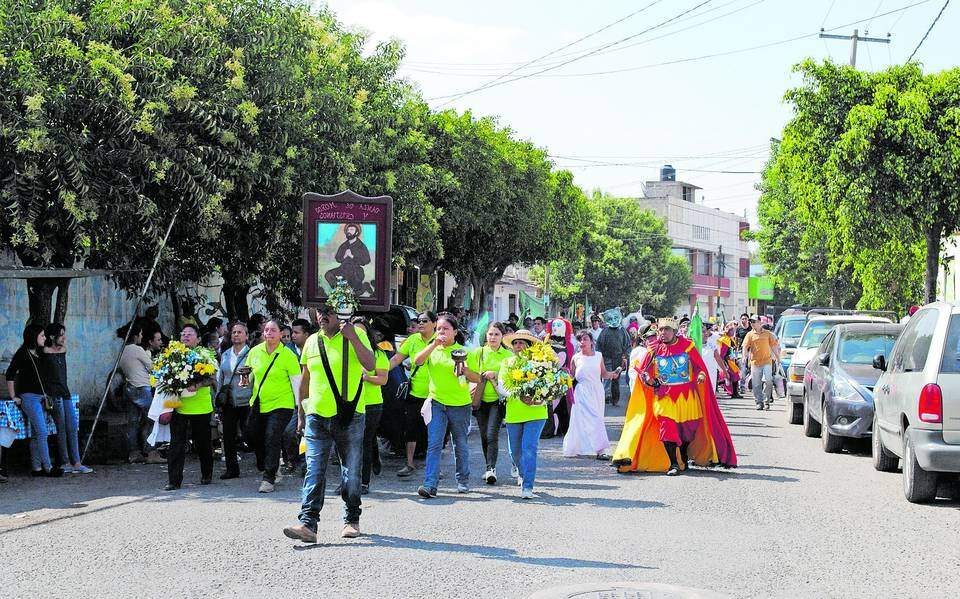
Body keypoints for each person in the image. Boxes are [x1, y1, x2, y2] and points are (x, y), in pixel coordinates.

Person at [283, 305, 375, 542]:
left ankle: (352, 518)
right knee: (314, 469)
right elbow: (305, 378)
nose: (323, 316)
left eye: (329, 311)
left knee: (351, 472)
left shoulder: (356, 334)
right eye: (319, 312)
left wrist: (353, 337)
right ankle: (308, 524)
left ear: (341, 313)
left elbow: (371, 364)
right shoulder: (312, 341)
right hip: (316, 415)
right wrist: (301, 412)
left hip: (350, 415)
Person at [612, 318, 738, 476]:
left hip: (687, 397)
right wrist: (648, 379)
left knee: (688, 430)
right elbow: (645, 372)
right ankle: (673, 464)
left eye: (666, 330)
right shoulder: (654, 349)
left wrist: (700, 375)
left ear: (674, 331)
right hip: (663, 397)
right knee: (667, 427)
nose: (663, 333)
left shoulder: (687, 346)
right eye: (660, 330)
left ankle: (683, 457)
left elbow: (700, 367)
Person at [415, 314, 480, 499]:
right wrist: (433, 345)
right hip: (437, 402)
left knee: (460, 444)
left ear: (455, 332)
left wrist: (466, 371)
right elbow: (417, 361)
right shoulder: (432, 349)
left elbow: (477, 378)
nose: (441, 332)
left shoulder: (465, 351)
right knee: (434, 444)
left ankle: (463, 479)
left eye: (446, 329)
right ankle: (430, 484)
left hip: (460, 404)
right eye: (439, 329)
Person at [244, 320, 301, 493]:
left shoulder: (287, 355)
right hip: (259, 402)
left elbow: (296, 383)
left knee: (272, 436)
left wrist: (300, 409)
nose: (269, 332)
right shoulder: (254, 352)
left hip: (281, 404)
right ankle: (272, 465)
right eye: (266, 330)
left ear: (280, 334)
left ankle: (268, 478)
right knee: (253, 437)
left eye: (273, 330)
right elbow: (249, 376)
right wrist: (245, 381)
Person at [165, 324, 217, 491]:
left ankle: (207, 473)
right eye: (183, 334)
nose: (185, 336)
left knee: (203, 443)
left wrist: (199, 384)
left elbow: (212, 378)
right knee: (176, 444)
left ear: (198, 338)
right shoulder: (173, 355)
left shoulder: (205, 355)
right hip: (178, 405)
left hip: (200, 407)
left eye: (190, 334)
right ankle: (174, 480)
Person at [498, 329, 549, 499]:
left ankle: (528, 486)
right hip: (514, 413)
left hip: (536, 412)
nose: (518, 345)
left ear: (529, 345)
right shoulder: (507, 362)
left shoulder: (540, 361)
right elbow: (502, 387)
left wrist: (538, 397)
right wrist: (519, 393)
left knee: (529, 448)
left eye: (522, 342)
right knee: (515, 452)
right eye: (516, 343)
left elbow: (548, 386)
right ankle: (522, 473)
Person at [5, 324, 61, 477]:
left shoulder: (40, 353)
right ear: (33, 336)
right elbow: (10, 374)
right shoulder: (23, 353)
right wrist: (13, 396)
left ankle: (37, 468)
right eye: (41, 335)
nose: (44, 338)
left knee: (37, 433)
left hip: (41, 397)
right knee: (42, 432)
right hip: (29, 397)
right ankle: (48, 467)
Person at [42, 323, 93, 474]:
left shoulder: (62, 350)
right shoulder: (46, 352)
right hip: (54, 393)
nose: (64, 338)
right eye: (61, 334)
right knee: (62, 428)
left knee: (72, 426)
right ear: (52, 337)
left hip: (65, 393)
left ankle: (76, 462)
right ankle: (65, 461)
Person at [389, 311, 436, 477]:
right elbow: (397, 359)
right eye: (419, 321)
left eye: (425, 321)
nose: (421, 324)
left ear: (434, 323)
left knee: (433, 431)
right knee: (411, 428)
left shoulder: (440, 340)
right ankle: (409, 464)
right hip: (415, 392)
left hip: (436, 395)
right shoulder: (413, 340)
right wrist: (380, 370)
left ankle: (433, 467)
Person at [467, 321, 513, 485]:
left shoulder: (508, 356)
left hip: (498, 399)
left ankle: (490, 468)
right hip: (479, 399)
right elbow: (468, 374)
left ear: (502, 337)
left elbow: (513, 377)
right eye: (490, 334)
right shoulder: (477, 353)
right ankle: (488, 466)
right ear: (486, 335)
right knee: (484, 434)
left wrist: (497, 373)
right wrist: (479, 375)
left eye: (496, 334)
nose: (493, 337)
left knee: (492, 433)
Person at [563, 330, 621, 459]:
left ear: (591, 342)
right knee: (579, 419)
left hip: (596, 391)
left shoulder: (598, 356)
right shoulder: (576, 357)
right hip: (581, 392)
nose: (582, 342)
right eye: (580, 340)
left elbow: (604, 374)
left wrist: (613, 374)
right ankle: (579, 447)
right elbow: (571, 376)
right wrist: (562, 375)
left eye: (585, 339)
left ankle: (600, 450)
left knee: (596, 418)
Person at [352, 317, 389, 495]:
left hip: (372, 404)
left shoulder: (378, 354)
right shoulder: (346, 352)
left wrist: (366, 377)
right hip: (350, 403)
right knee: (349, 443)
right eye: (354, 331)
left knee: (364, 441)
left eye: (361, 332)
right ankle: (349, 479)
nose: (358, 335)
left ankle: (363, 482)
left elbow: (382, 379)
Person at [120, 324, 163, 464]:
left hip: (130, 387)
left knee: (133, 422)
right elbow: (152, 367)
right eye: (140, 334)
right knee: (151, 419)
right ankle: (151, 452)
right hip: (142, 388)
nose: (142, 337)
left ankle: (134, 453)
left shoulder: (122, 350)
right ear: (135, 336)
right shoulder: (137, 349)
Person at [217, 322, 252, 480]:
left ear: (246, 335)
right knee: (228, 435)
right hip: (229, 400)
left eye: (239, 332)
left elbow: (254, 376)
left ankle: (261, 461)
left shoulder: (251, 354)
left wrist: (244, 373)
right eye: (233, 333)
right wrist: (218, 396)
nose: (236, 335)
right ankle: (232, 469)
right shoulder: (225, 354)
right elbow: (221, 377)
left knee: (250, 433)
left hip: (246, 400)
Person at [281, 318, 312, 475]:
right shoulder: (287, 350)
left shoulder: (314, 348)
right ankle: (292, 460)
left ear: (306, 334)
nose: (292, 335)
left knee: (309, 432)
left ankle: (308, 464)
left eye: (296, 332)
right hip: (293, 399)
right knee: (288, 432)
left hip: (312, 397)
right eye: (292, 332)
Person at [742, 317, 780, 410]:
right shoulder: (749, 334)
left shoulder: (767, 334)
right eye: (750, 322)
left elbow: (774, 346)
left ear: (759, 322)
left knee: (768, 380)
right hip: (755, 362)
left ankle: (766, 401)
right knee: (756, 384)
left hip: (767, 361)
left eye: (753, 321)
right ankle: (759, 402)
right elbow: (745, 347)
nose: (751, 323)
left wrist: (778, 357)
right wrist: (744, 356)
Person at [596, 309, 631, 407]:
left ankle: (615, 399)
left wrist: (625, 357)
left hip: (618, 359)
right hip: (606, 359)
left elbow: (627, 345)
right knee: (607, 378)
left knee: (616, 379)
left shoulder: (622, 331)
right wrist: (598, 358)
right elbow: (598, 345)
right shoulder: (605, 331)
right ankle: (603, 397)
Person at [627, 326, 659, 395]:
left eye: (654, 337)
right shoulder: (639, 351)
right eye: (649, 339)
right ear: (643, 339)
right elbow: (633, 371)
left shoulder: (657, 349)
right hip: (640, 387)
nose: (653, 340)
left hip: (653, 387)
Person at [718, 323, 741, 398]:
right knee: (733, 375)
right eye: (731, 330)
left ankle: (734, 392)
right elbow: (722, 353)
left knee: (734, 376)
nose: (733, 332)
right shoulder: (724, 339)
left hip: (731, 360)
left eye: (733, 330)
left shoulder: (729, 339)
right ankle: (734, 393)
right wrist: (724, 363)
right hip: (727, 360)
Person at [701, 323, 724, 394]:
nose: (705, 333)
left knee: (711, 395)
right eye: (703, 332)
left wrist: (724, 371)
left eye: (706, 331)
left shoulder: (711, 344)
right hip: (700, 376)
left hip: (711, 374)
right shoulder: (694, 346)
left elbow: (718, 358)